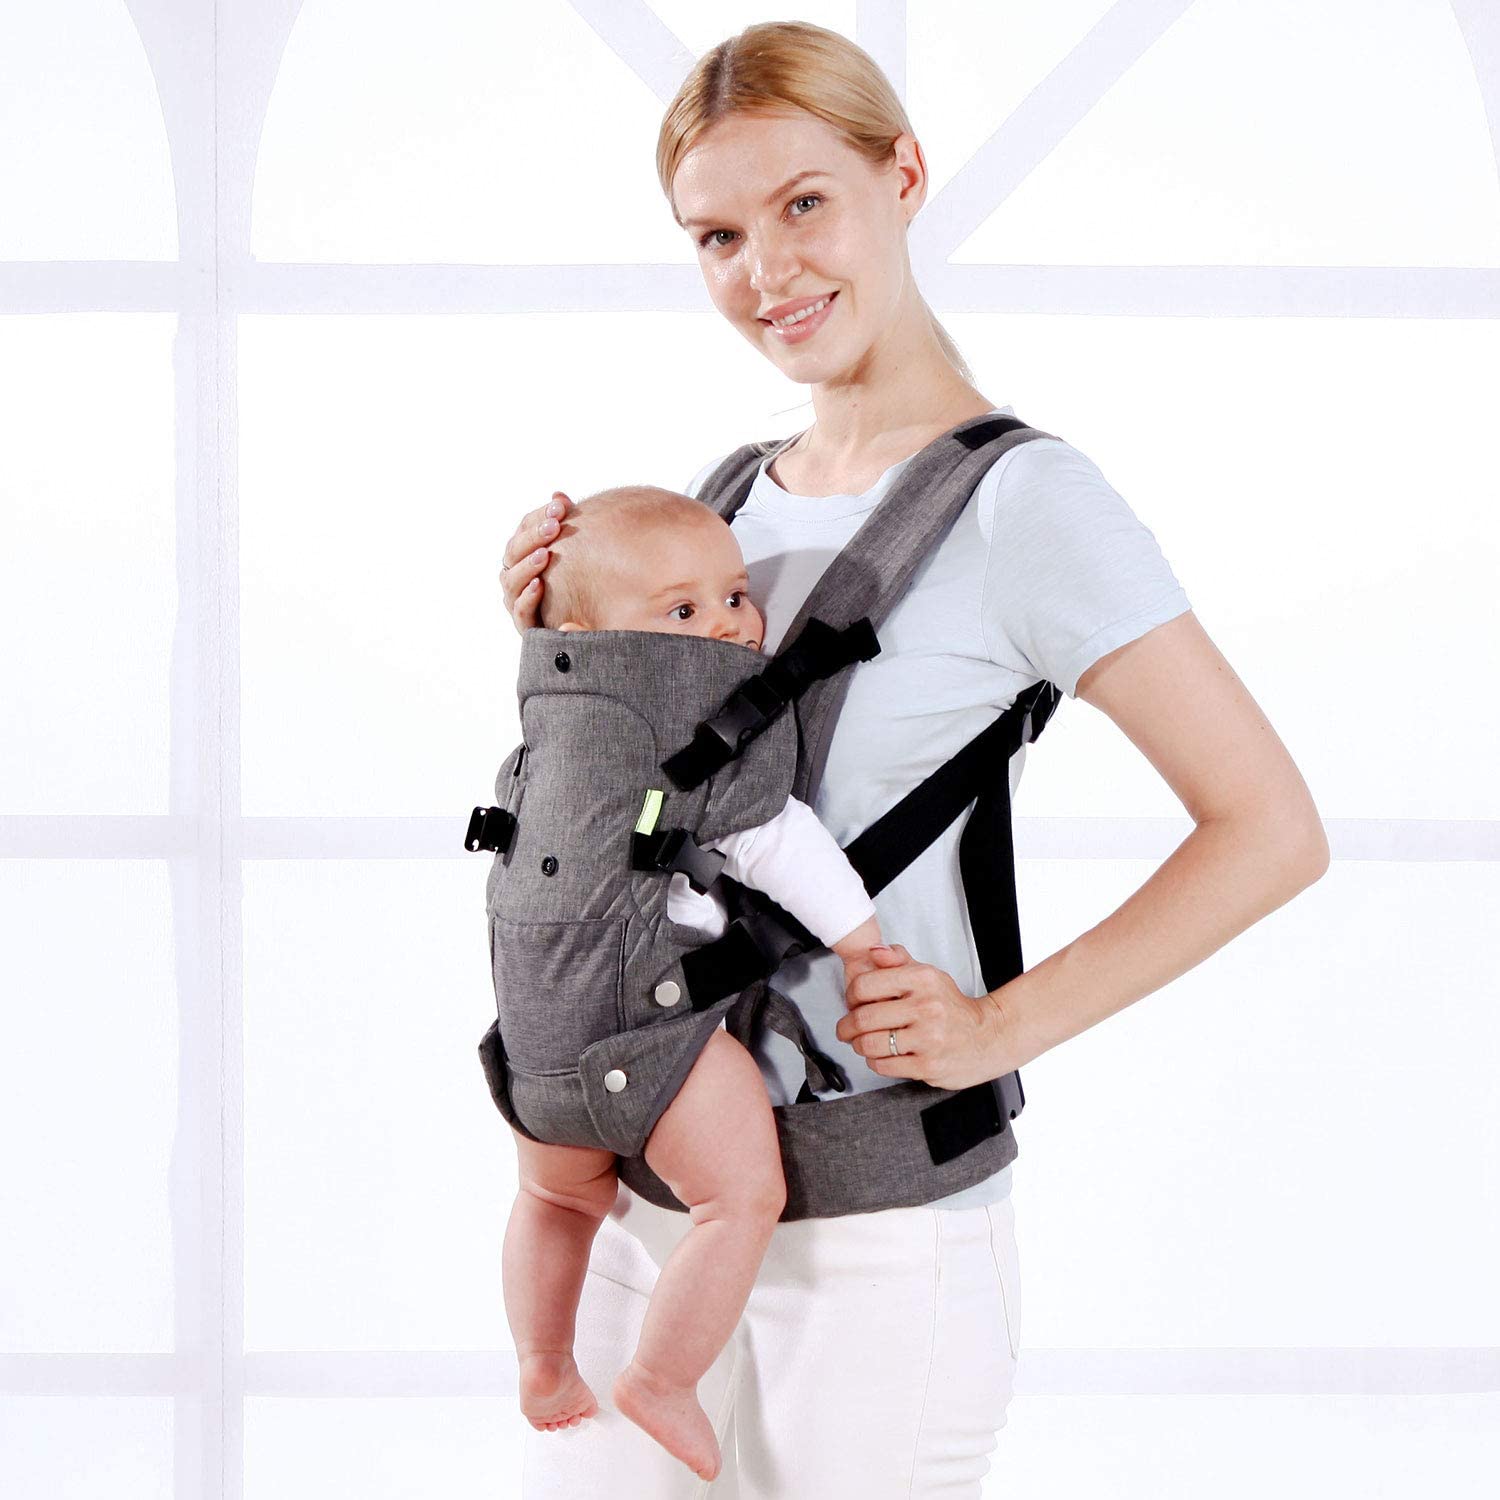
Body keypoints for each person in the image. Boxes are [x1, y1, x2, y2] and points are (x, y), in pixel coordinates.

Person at [493, 21, 1329, 1498]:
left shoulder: (1026, 505)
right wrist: (562, 644)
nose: (767, 270)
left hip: (880, 1253)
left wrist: (998, 1028)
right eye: (719, 235)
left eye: (805, 203)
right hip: (638, 1210)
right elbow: (635, 819)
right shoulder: (714, 506)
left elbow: (1270, 829)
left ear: (906, 176)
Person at [498, 485, 885, 1484]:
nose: (727, 625)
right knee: (740, 1200)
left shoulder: (551, 725)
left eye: (735, 595)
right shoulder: (692, 729)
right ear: (592, 635)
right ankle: (662, 1378)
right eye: (683, 609)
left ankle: (543, 1362)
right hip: (645, 1037)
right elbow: (778, 840)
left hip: (533, 1047)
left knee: (552, 1201)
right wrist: (864, 945)